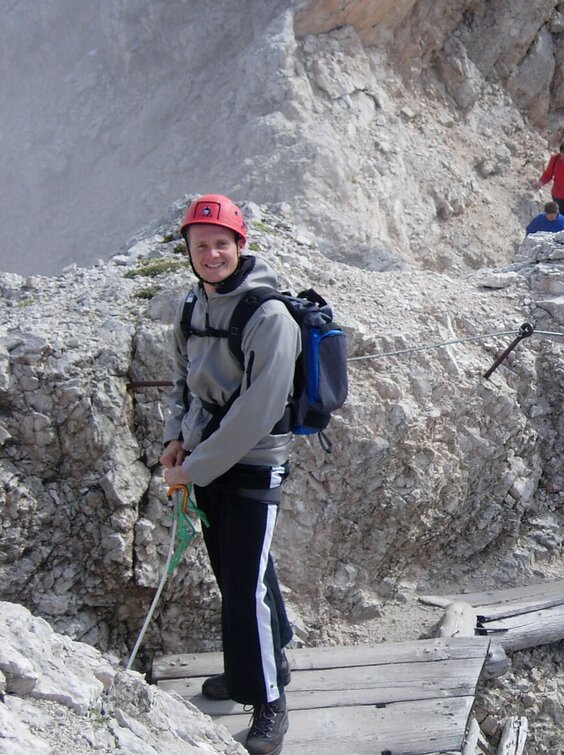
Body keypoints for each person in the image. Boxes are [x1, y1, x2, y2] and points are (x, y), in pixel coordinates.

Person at [160, 194, 298, 755]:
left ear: (241, 246)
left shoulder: (269, 316)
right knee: (241, 573)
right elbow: (181, 380)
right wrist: (174, 437)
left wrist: (194, 466)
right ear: (189, 253)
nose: (212, 253)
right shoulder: (192, 306)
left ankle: (268, 699)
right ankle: (262, 662)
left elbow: (259, 409)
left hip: (254, 461)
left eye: (222, 243)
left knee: (242, 587)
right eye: (201, 245)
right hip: (203, 459)